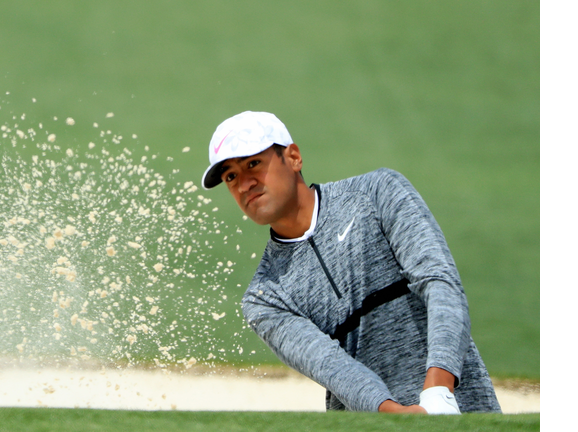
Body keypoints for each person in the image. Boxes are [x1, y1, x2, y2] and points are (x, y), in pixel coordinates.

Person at [201, 111, 501, 414]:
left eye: (253, 164)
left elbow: (440, 282)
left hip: (462, 410)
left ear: (293, 157)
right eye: (231, 177)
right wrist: (400, 419)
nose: (244, 184)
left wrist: (439, 392)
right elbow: (333, 368)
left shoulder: (377, 194)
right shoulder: (264, 297)